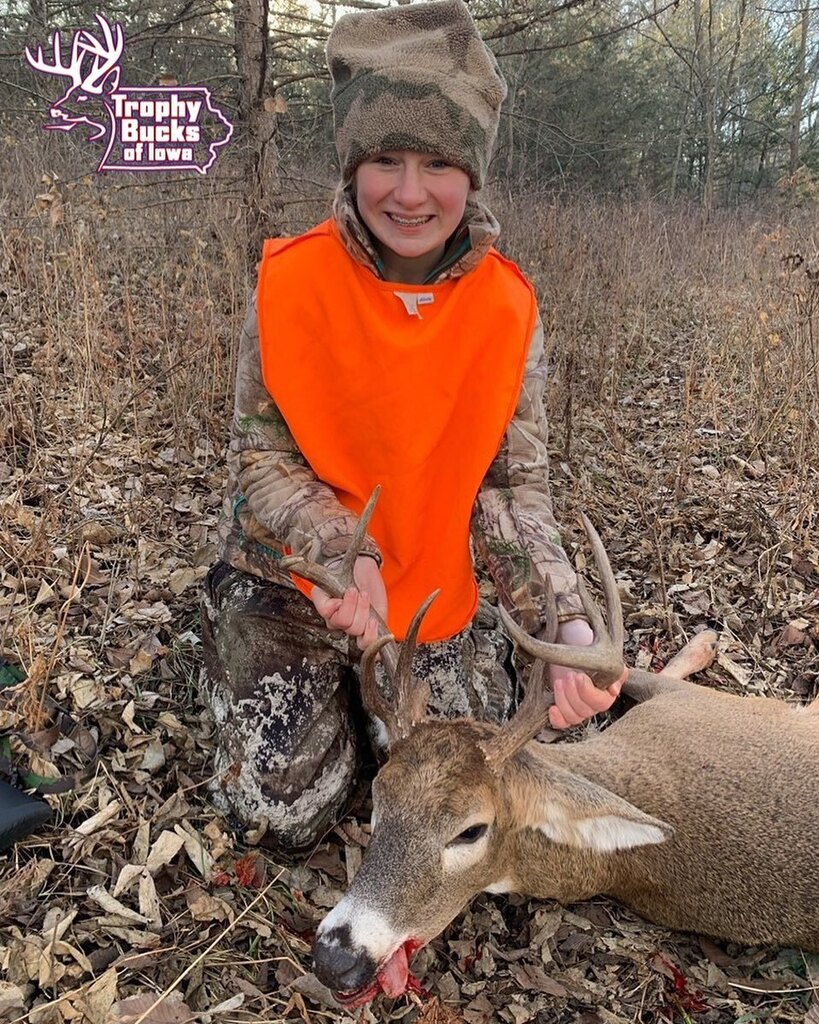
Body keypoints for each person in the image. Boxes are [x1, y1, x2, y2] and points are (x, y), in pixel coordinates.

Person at [200, 0, 624, 853]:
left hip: (431, 592)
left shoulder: (507, 307)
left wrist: (558, 619)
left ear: (471, 172)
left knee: (463, 796)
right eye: (383, 158)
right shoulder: (291, 282)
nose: (407, 191)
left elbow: (513, 486)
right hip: (294, 585)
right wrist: (341, 554)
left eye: (436, 161)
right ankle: (235, 642)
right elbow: (264, 460)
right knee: (279, 814)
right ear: (351, 162)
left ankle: (475, 664)